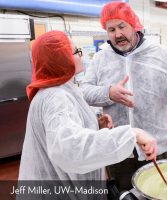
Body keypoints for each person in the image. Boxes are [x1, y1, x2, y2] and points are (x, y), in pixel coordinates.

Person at [81, 2, 167, 190]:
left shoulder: (159, 52)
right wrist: (108, 93)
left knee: (162, 190)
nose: (117, 34)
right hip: (119, 146)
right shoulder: (100, 58)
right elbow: (85, 91)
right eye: (111, 29)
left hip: (157, 144)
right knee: (125, 193)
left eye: (121, 26)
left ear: (133, 25)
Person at [18, 31, 157, 185]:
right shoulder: (55, 97)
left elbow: (68, 129)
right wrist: (131, 134)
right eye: (77, 52)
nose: (81, 56)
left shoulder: (62, 88)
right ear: (61, 60)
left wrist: (95, 124)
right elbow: (70, 149)